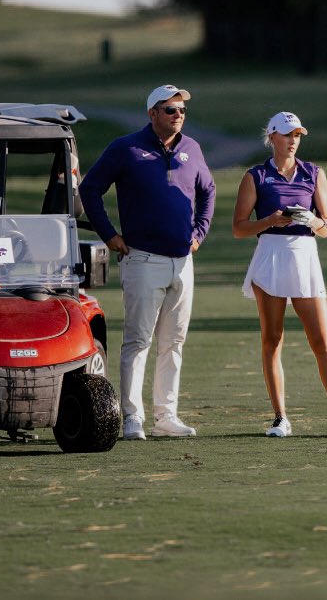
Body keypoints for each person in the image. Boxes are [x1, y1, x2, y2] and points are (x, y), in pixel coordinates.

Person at [79, 84, 216, 440]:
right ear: (152, 113)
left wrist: (199, 233)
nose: (178, 115)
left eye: (182, 110)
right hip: (142, 258)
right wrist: (109, 235)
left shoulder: (191, 148)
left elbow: (208, 191)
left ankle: (166, 417)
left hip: (182, 261)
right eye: (170, 109)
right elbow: (90, 189)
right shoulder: (126, 148)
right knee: (138, 341)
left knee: (173, 343)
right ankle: (132, 417)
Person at [232, 111, 327, 439]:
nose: (293, 141)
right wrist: (270, 221)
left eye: (297, 135)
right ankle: (280, 418)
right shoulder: (256, 176)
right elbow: (239, 228)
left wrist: (312, 220)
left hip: (304, 258)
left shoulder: (314, 173)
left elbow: (326, 229)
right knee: (272, 340)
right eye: (287, 134)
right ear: (272, 137)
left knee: (322, 342)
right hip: (270, 257)